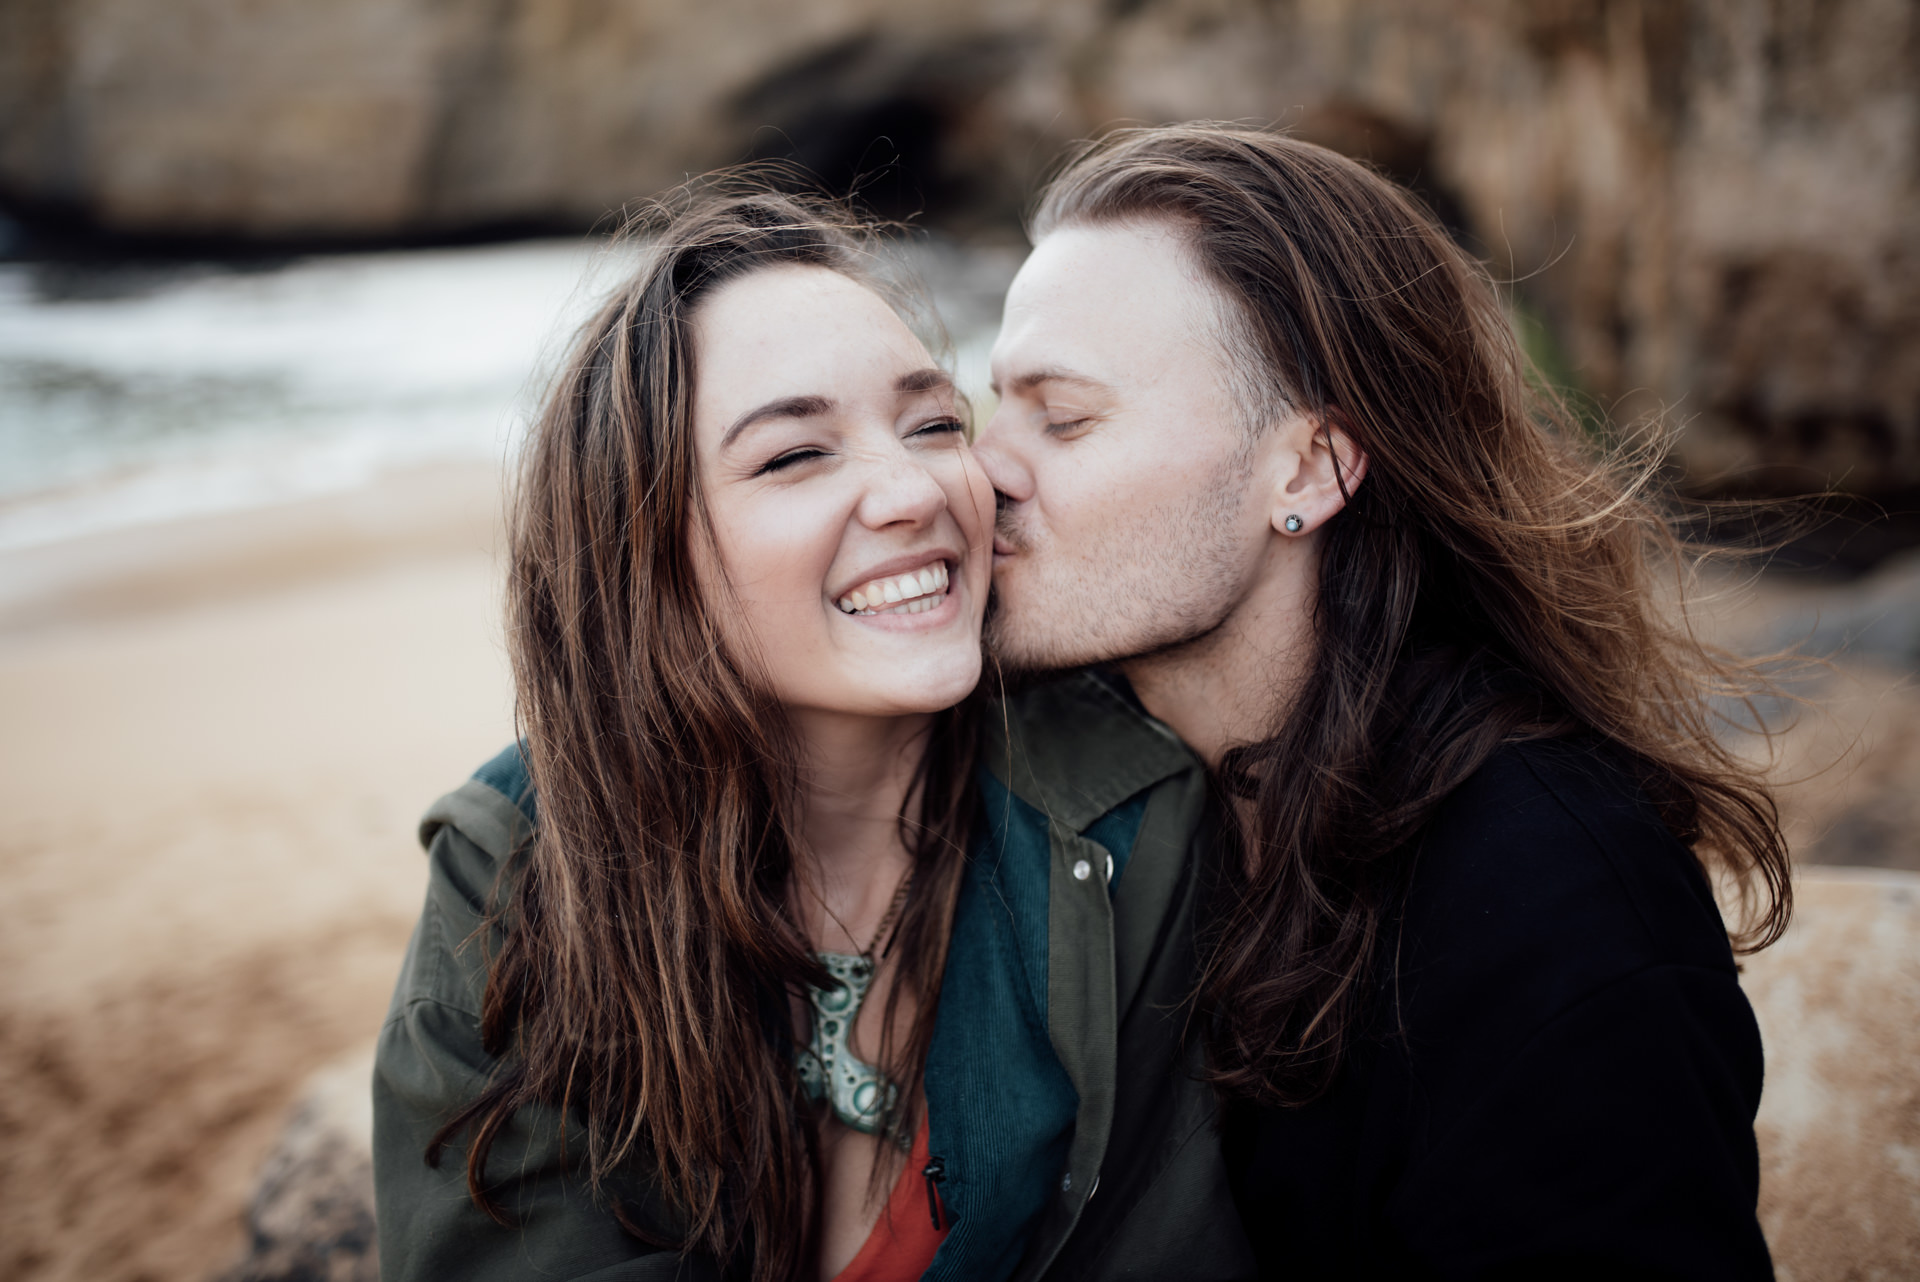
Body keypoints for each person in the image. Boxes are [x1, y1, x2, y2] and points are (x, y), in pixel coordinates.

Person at [372, 186, 1254, 1282]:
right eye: (794, 456)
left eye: (934, 424)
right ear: (643, 559)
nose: (911, 490)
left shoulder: (1126, 820)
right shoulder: (514, 868)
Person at [975, 124, 1791, 1279]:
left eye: (1062, 418)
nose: (981, 467)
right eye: (988, 405)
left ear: (1307, 470)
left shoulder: (1547, 898)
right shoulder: (1120, 809)